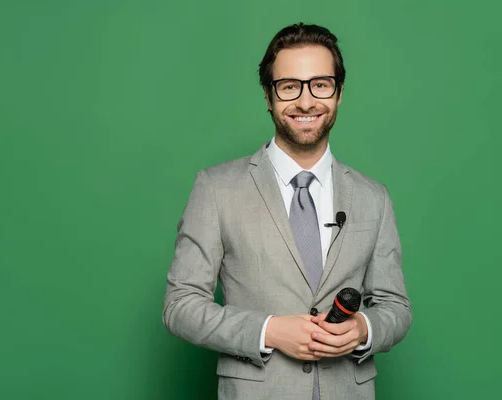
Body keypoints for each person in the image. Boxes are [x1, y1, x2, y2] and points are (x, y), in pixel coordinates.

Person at [162, 22, 412, 400]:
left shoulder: (373, 197)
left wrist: (363, 329)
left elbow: (395, 307)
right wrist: (269, 331)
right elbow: (179, 306)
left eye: (321, 84)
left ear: (339, 92)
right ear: (269, 95)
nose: (307, 101)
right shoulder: (216, 189)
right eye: (290, 86)